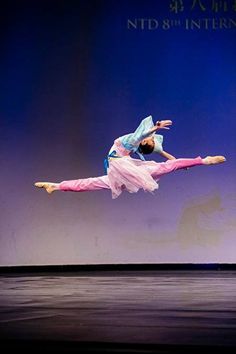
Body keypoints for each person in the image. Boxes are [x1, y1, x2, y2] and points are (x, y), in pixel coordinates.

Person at [34, 115, 226, 199]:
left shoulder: (137, 142)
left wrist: (185, 163)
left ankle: (204, 160)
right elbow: (142, 136)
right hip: (119, 167)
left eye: (151, 141)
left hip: (122, 168)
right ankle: (57, 186)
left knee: (167, 166)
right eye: (151, 140)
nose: (151, 140)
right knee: (89, 183)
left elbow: (168, 159)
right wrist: (155, 127)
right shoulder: (135, 140)